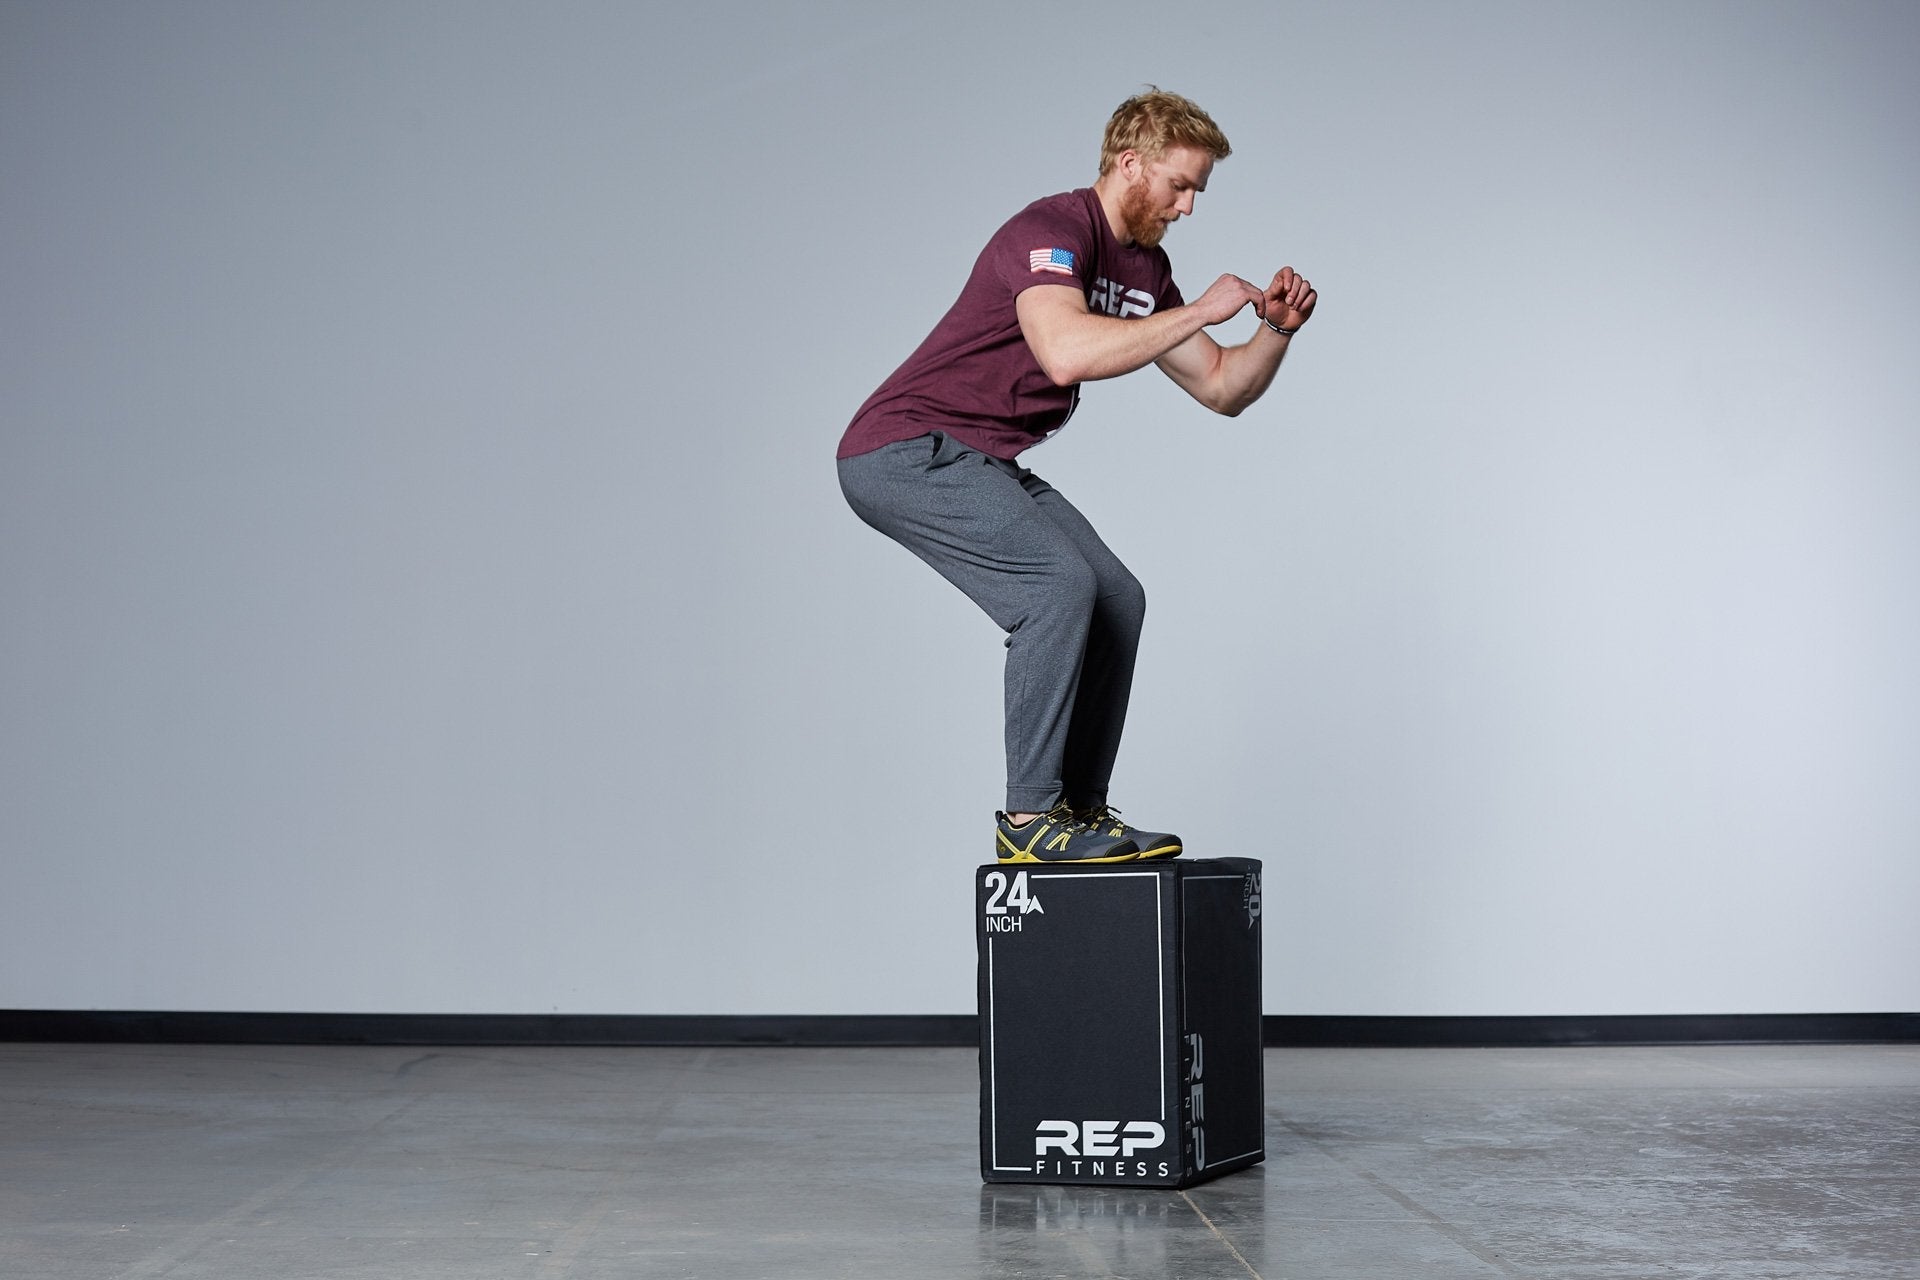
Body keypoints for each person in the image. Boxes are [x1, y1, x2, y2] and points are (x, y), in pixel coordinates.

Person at [836, 88, 1316, 865]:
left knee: (1117, 597)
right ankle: (1029, 822)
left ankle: (1080, 813)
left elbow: (1223, 387)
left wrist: (1274, 331)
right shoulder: (1051, 230)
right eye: (1179, 185)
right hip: (903, 448)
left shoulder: (1144, 268)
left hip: (979, 456)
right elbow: (1063, 350)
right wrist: (1198, 310)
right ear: (1131, 164)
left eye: (1198, 191)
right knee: (1057, 587)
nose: (1189, 206)